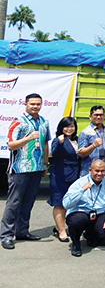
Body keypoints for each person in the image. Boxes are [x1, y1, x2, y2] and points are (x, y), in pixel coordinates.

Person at [1, 93, 51, 250]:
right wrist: (28, 139)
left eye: (38, 104)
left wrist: (45, 163)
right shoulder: (18, 122)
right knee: (14, 202)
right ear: (26, 104)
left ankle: (22, 231)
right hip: (20, 169)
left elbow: (44, 143)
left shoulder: (44, 122)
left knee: (28, 202)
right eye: (32, 104)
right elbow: (11, 145)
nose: (35, 106)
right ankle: (6, 235)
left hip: (36, 168)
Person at [62, 159, 105, 257]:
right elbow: (66, 204)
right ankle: (76, 243)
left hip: (99, 213)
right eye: (96, 171)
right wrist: (81, 190)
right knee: (77, 221)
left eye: (102, 171)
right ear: (90, 170)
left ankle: (90, 236)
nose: (99, 174)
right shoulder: (79, 183)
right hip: (81, 213)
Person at [49, 117, 80, 243]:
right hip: (60, 176)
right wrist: (60, 143)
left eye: (72, 126)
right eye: (66, 126)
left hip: (74, 175)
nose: (69, 129)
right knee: (59, 203)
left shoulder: (76, 140)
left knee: (70, 202)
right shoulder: (58, 140)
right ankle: (61, 231)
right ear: (61, 128)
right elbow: (55, 153)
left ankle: (61, 227)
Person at [78, 105, 105, 176]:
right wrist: (93, 145)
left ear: (104, 117)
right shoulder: (85, 132)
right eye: (96, 115)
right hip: (89, 171)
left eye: (101, 115)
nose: (98, 117)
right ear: (90, 117)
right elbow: (81, 153)